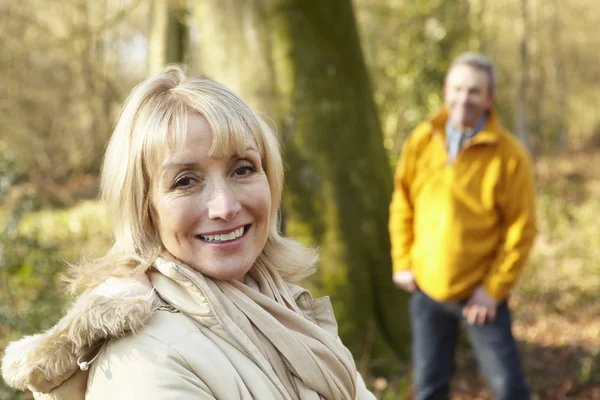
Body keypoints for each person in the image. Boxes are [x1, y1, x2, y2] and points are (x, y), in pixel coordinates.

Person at [2, 66, 376, 400]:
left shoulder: (279, 304)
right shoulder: (144, 358)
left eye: (242, 168)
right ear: (143, 207)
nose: (225, 206)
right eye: (185, 181)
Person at [389, 52, 537, 400]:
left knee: (509, 388)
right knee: (428, 389)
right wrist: (402, 262)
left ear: (489, 98)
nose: (463, 99)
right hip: (426, 290)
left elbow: (522, 227)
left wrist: (493, 289)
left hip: (480, 295)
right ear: (445, 91)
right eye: (457, 89)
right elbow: (402, 203)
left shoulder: (509, 154)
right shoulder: (422, 140)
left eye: (474, 91)